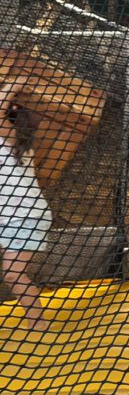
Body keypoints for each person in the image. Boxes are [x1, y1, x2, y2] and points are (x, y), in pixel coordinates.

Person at [0, 81, 53, 332]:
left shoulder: (9, 141)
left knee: (13, 272)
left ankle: (39, 324)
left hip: (25, 216)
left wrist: (14, 83)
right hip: (10, 216)